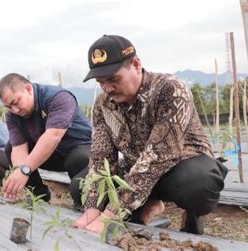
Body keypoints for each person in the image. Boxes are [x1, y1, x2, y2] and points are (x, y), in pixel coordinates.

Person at [76, 34, 228, 235]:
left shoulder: (170, 89)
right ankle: (150, 205)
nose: (108, 88)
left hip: (180, 167)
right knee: (79, 186)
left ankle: (191, 212)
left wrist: (109, 215)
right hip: (134, 170)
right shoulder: (103, 104)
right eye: (100, 82)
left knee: (199, 185)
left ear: (136, 64)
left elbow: (157, 157)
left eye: (113, 79)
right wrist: (92, 209)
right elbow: (100, 157)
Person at [0, 73, 92, 205]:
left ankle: (82, 201)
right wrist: (18, 173)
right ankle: (38, 197)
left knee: (77, 168)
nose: (15, 110)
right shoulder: (13, 116)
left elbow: (53, 136)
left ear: (28, 89)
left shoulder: (58, 97)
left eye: (16, 102)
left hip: (77, 150)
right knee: (10, 147)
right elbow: (19, 147)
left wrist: (24, 170)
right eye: (9, 107)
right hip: (48, 155)